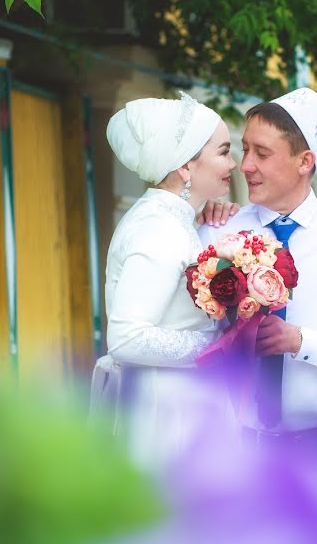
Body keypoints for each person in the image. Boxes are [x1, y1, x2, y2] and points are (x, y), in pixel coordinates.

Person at [198, 87, 317, 442]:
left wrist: (300, 341)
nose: (246, 166)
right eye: (245, 150)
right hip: (234, 446)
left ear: (304, 161)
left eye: (262, 153)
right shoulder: (218, 232)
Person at [90, 92, 239, 470]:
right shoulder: (157, 229)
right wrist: (214, 346)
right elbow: (127, 337)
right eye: (223, 152)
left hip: (177, 401)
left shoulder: (174, 221)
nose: (234, 164)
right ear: (186, 166)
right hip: (163, 412)